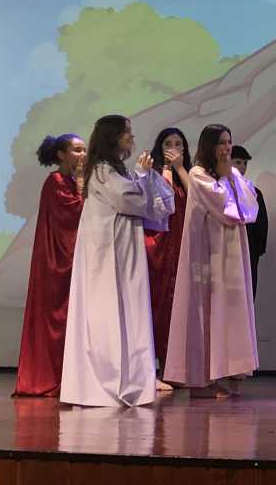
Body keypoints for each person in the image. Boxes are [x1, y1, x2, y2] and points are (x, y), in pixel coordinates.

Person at [60, 115, 174, 408]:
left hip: (122, 248)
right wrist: (144, 177)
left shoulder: (114, 170)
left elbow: (151, 203)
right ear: (113, 138)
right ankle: (108, 380)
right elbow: (129, 201)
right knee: (108, 311)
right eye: (127, 133)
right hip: (107, 253)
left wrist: (144, 178)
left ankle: (129, 378)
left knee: (127, 309)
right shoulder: (101, 171)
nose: (131, 137)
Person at [163, 124, 260, 398]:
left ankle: (231, 370)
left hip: (232, 250)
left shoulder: (231, 173)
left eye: (229, 142)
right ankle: (203, 377)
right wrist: (228, 178)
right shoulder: (198, 174)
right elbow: (226, 209)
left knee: (229, 310)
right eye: (221, 142)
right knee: (208, 308)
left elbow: (249, 209)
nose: (227, 148)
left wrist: (231, 176)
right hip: (210, 251)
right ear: (209, 146)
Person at [13, 134, 87, 397]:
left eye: (84, 150)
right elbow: (76, 213)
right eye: (77, 150)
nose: (83, 155)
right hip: (56, 261)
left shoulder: (73, 181)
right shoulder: (55, 181)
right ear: (61, 155)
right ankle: (48, 377)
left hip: (73, 259)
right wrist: (82, 184)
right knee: (57, 318)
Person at [144, 127, 192, 389]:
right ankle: (150, 369)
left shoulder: (189, 175)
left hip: (182, 248)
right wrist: (165, 170)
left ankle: (173, 368)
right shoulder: (152, 174)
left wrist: (180, 168)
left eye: (178, 143)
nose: (173, 148)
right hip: (159, 248)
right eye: (167, 144)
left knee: (178, 310)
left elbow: (198, 197)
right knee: (156, 306)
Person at [230, 145, 268, 299]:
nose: (242, 167)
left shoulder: (254, 192)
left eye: (245, 163)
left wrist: (257, 250)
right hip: (227, 251)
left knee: (248, 293)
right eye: (238, 162)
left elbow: (262, 225)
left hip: (249, 248)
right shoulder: (220, 189)